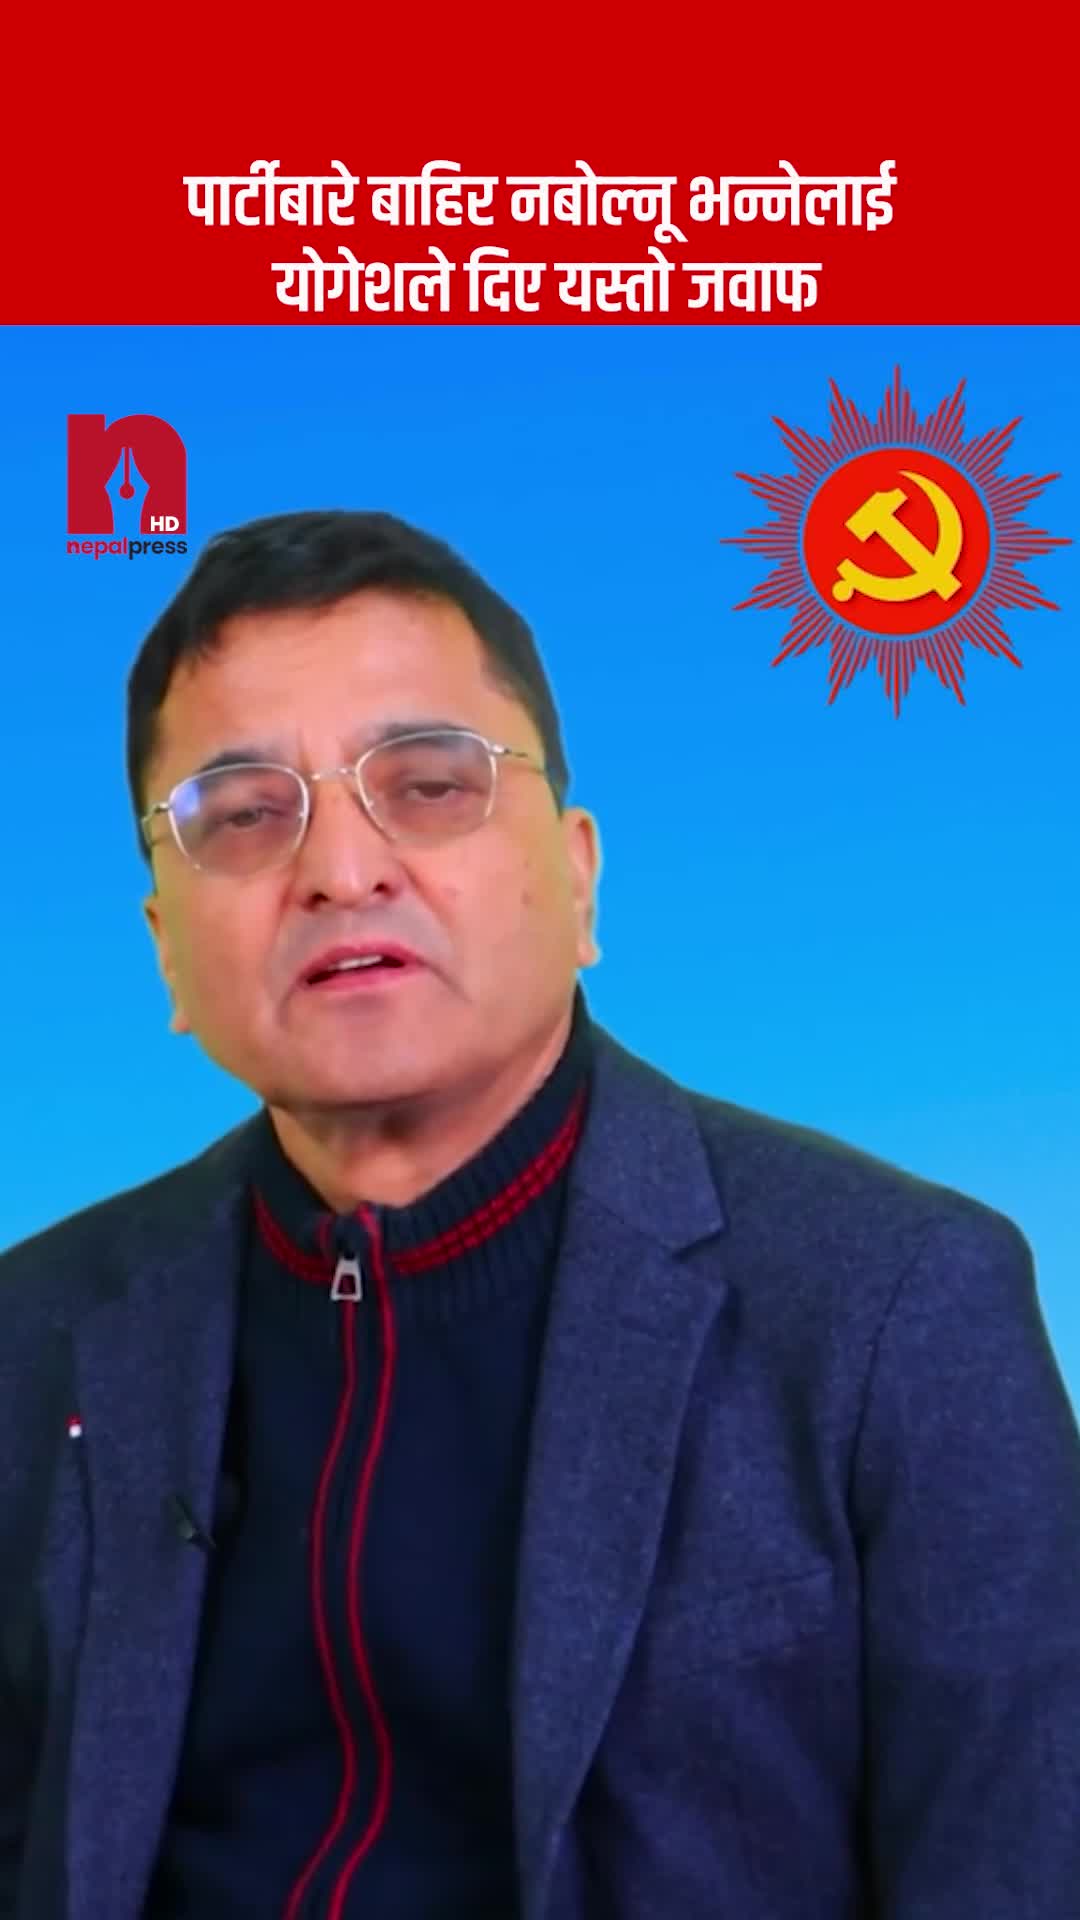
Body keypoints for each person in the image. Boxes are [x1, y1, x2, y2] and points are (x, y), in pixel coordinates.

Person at [1, 509, 1078, 1920]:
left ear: (578, 876)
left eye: (428, 785)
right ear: (162, 947)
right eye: (247, 814)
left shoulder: (898, 1306)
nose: (340, 871)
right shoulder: (37, 1333)